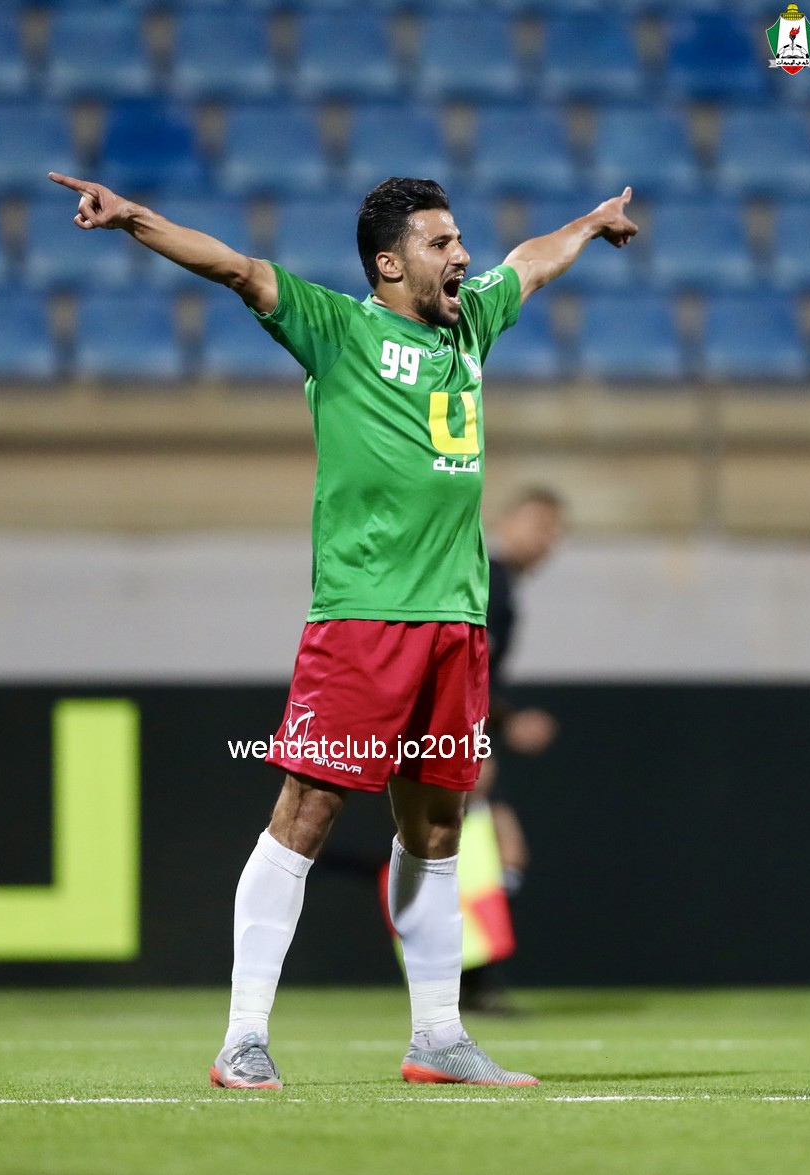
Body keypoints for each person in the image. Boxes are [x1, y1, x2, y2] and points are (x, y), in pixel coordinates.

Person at [48, 168, 637, 1088]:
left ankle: (438, 1036)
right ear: (390, 265)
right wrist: (134, 221)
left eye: (458, 239)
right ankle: (243, 1037)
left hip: (456, 623)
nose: (463, 255)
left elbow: (531, 261)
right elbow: (238, 269)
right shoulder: (340, 330)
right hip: (364, 619)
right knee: (307, 813)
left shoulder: (472, 323)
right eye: (441, 244)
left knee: (439, 825)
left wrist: (592, 225)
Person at [460, 487, 567, 1015]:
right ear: (504, 522)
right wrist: (472, 741)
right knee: (482, 852)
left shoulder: (498, 584)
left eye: (557, 531)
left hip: (458, 729)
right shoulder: (489, 580)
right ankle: (461, 988)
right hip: (451, 733)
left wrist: (502, 720)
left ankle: (468, 985)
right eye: (540, 525)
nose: (549, 540)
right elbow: (459, 663)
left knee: (493, 853)